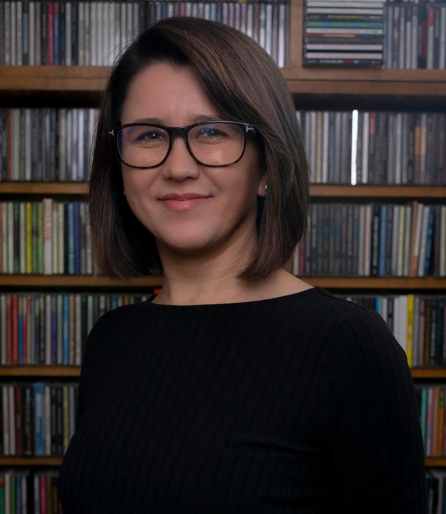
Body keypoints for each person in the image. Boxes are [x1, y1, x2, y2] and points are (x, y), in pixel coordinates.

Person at [58, 17, 427, 513]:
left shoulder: (347, 346)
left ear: (267, 167)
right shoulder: (112, 337)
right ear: (118, 165)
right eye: (148, 135)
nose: (178, 166)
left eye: (211, 131)